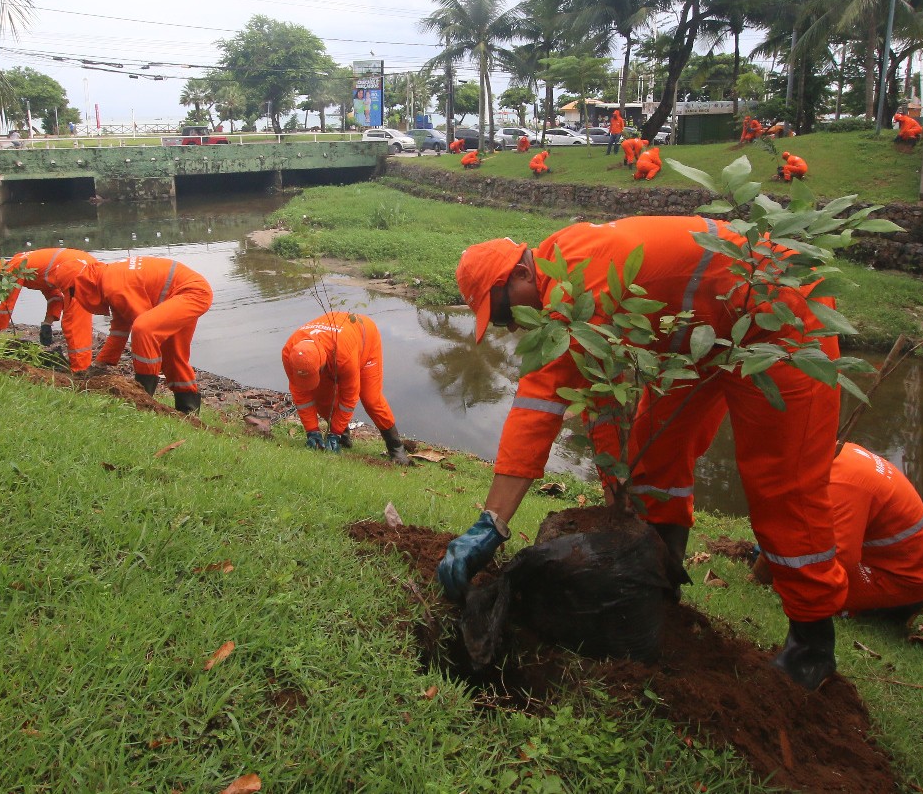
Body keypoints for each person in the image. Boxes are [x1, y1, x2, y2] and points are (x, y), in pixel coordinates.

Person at [439, 219, 847, 690]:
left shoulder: (576, 281)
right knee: (655, 458)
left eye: (505, 313)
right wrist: (621, 499)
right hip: (701, 339)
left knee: (783, 483)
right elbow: (604, 406)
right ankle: (663, 581)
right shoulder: (563, 284)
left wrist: (492, 522)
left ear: (521, 276)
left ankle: (812, 642)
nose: (510, 328)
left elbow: (538, 405)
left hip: (779, 316)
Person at [752, 443, 923, 617]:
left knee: (803, 593)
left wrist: (777, 583)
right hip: (889, 559)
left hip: (907, 578)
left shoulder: (842, 487)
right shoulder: (837, 453)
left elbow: (838, 560)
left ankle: (892, 607)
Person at [72, 256, 213, 415]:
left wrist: (140, 387)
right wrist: (100, 364)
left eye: (72, 292)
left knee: (144, 329)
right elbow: (120, 328)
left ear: (82, 286)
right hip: (185, 293)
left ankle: (143, 396)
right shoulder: (108, 278)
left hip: (191, 293)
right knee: (173, 354)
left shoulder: (113, 286)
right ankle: (189, 411)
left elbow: (142, 323)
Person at [282, 311, 412, 465]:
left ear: (322, 364)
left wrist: (334, 432)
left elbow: (350, 397)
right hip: (331, 349)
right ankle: (343, 438)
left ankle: (396, 448)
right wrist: (312, 431)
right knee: (323, 402)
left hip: (364, 341)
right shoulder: (289, 352)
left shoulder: (343, 357)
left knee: (371, 400)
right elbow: (300, 394)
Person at [0, 248, 98, 373]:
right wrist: (47, 324)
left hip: (76, 269)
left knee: (74, 322)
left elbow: (6, 306)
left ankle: (80, 370)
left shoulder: (14, 269)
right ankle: (81, 366)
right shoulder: (29, 265)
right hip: (84, 264)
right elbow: (55, 297)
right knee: (77, 320)